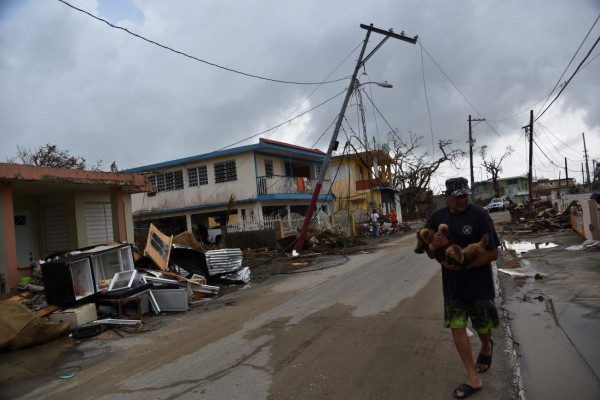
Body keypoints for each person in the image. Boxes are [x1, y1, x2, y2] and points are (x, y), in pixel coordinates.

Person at [426, 177, 500, 399]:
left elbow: (493, 253)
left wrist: (464, 268)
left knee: (482, 327)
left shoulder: (479, 215)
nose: (462, 200)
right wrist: (434, 247)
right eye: (457, 196)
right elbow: (429, 252)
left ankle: (486, 346)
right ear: (446, 196)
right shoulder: (437, 218)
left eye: (465, 195)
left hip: (479, 285)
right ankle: (473, 378)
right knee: (457, 327)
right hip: (452, 287)